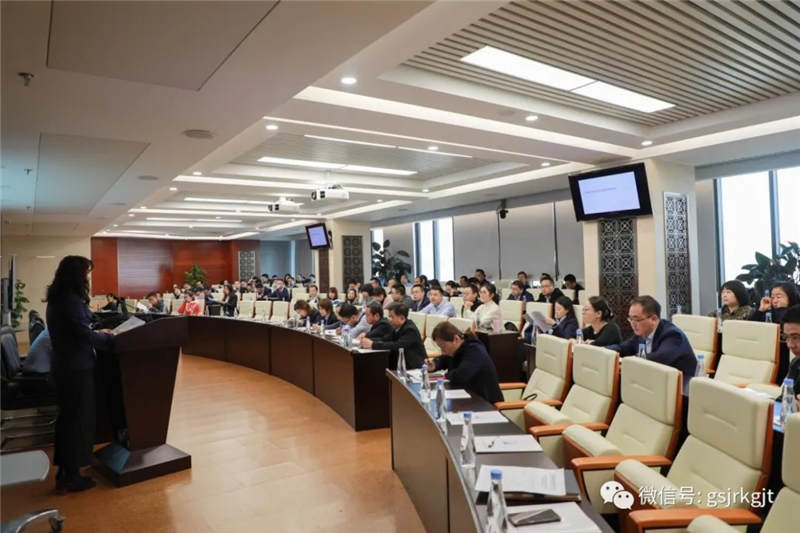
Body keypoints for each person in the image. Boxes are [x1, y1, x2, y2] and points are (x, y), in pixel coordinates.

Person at [45, 256, 115, 492]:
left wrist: (99, 330)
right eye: (87, 273)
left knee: (69, 419)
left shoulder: (61, 297)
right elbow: (83, 335)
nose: (89, 278)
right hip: (75, 368)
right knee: (76, 421)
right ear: (76, 275)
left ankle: (67, 470)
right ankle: (71, 476)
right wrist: (109, 338)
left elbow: (81, 327)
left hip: (66, 366)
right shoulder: (70, 301)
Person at [606, 296, 696, 392]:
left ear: (654, 319)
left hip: (678, 388)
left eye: (637, 319)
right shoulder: (642, 333)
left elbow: (658, 359)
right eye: (630, 319)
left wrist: (627, 362)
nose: (632, 324)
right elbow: (623, 348)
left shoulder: (672, 335)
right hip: (652, 381)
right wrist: (603, 351)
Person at [427, 322, 503, 404]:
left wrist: (445, 375)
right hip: (466, 398)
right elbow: (445, 359)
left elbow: (459, 376)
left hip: (485, 403)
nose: (442, 352)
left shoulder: (475, 351)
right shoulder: (459, 348)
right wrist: (435, 364)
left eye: (443, 347)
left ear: (456, 339)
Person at [360, 302, 425, 369]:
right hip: (400, 364)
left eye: (391, 317)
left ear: (402, 318)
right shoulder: (397, 327)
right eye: (389, 316)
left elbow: (397, 345)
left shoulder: (410, 330)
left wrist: (373, 344)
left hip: (413, 367)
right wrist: (369, 341)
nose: (389, 319)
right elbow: (385, 339)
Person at [779, 305, 800, 399]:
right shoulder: (795, 363)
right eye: (786, 337)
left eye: (795, 337)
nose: (790, 345)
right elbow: (786, 397)